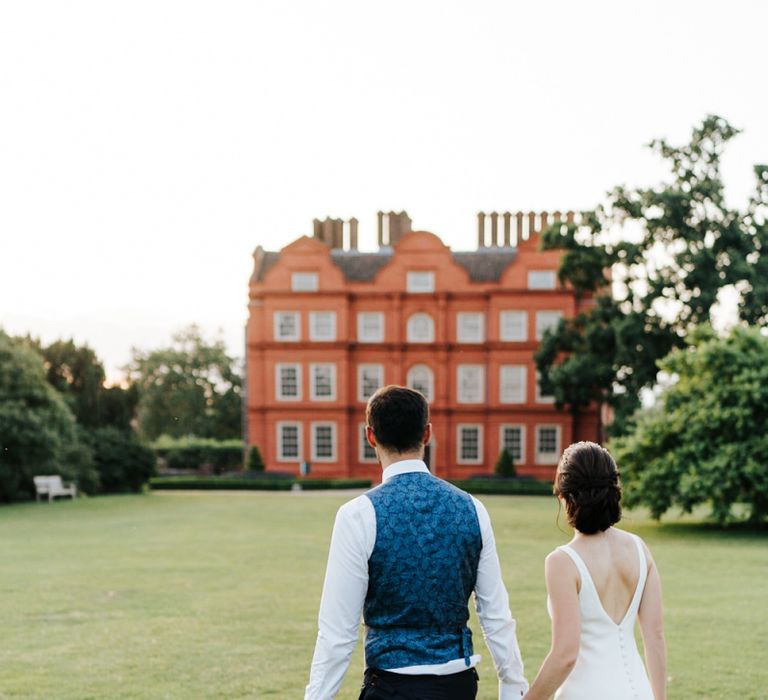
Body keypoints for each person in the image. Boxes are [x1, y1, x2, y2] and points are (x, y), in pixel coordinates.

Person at [305, 385, 529, 700]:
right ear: (427, 434)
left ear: (370, 436)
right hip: (457, 685)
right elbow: (495, 614)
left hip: (391, 687)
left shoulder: (357, 515)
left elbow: (337, 634)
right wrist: (513, 686)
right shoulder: (472, 509)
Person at [523, 442, 667, 700]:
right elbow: (655, 636)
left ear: (565, 496)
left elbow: (565, 655)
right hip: (639, 691)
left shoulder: (562, 561)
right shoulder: (639, 549)